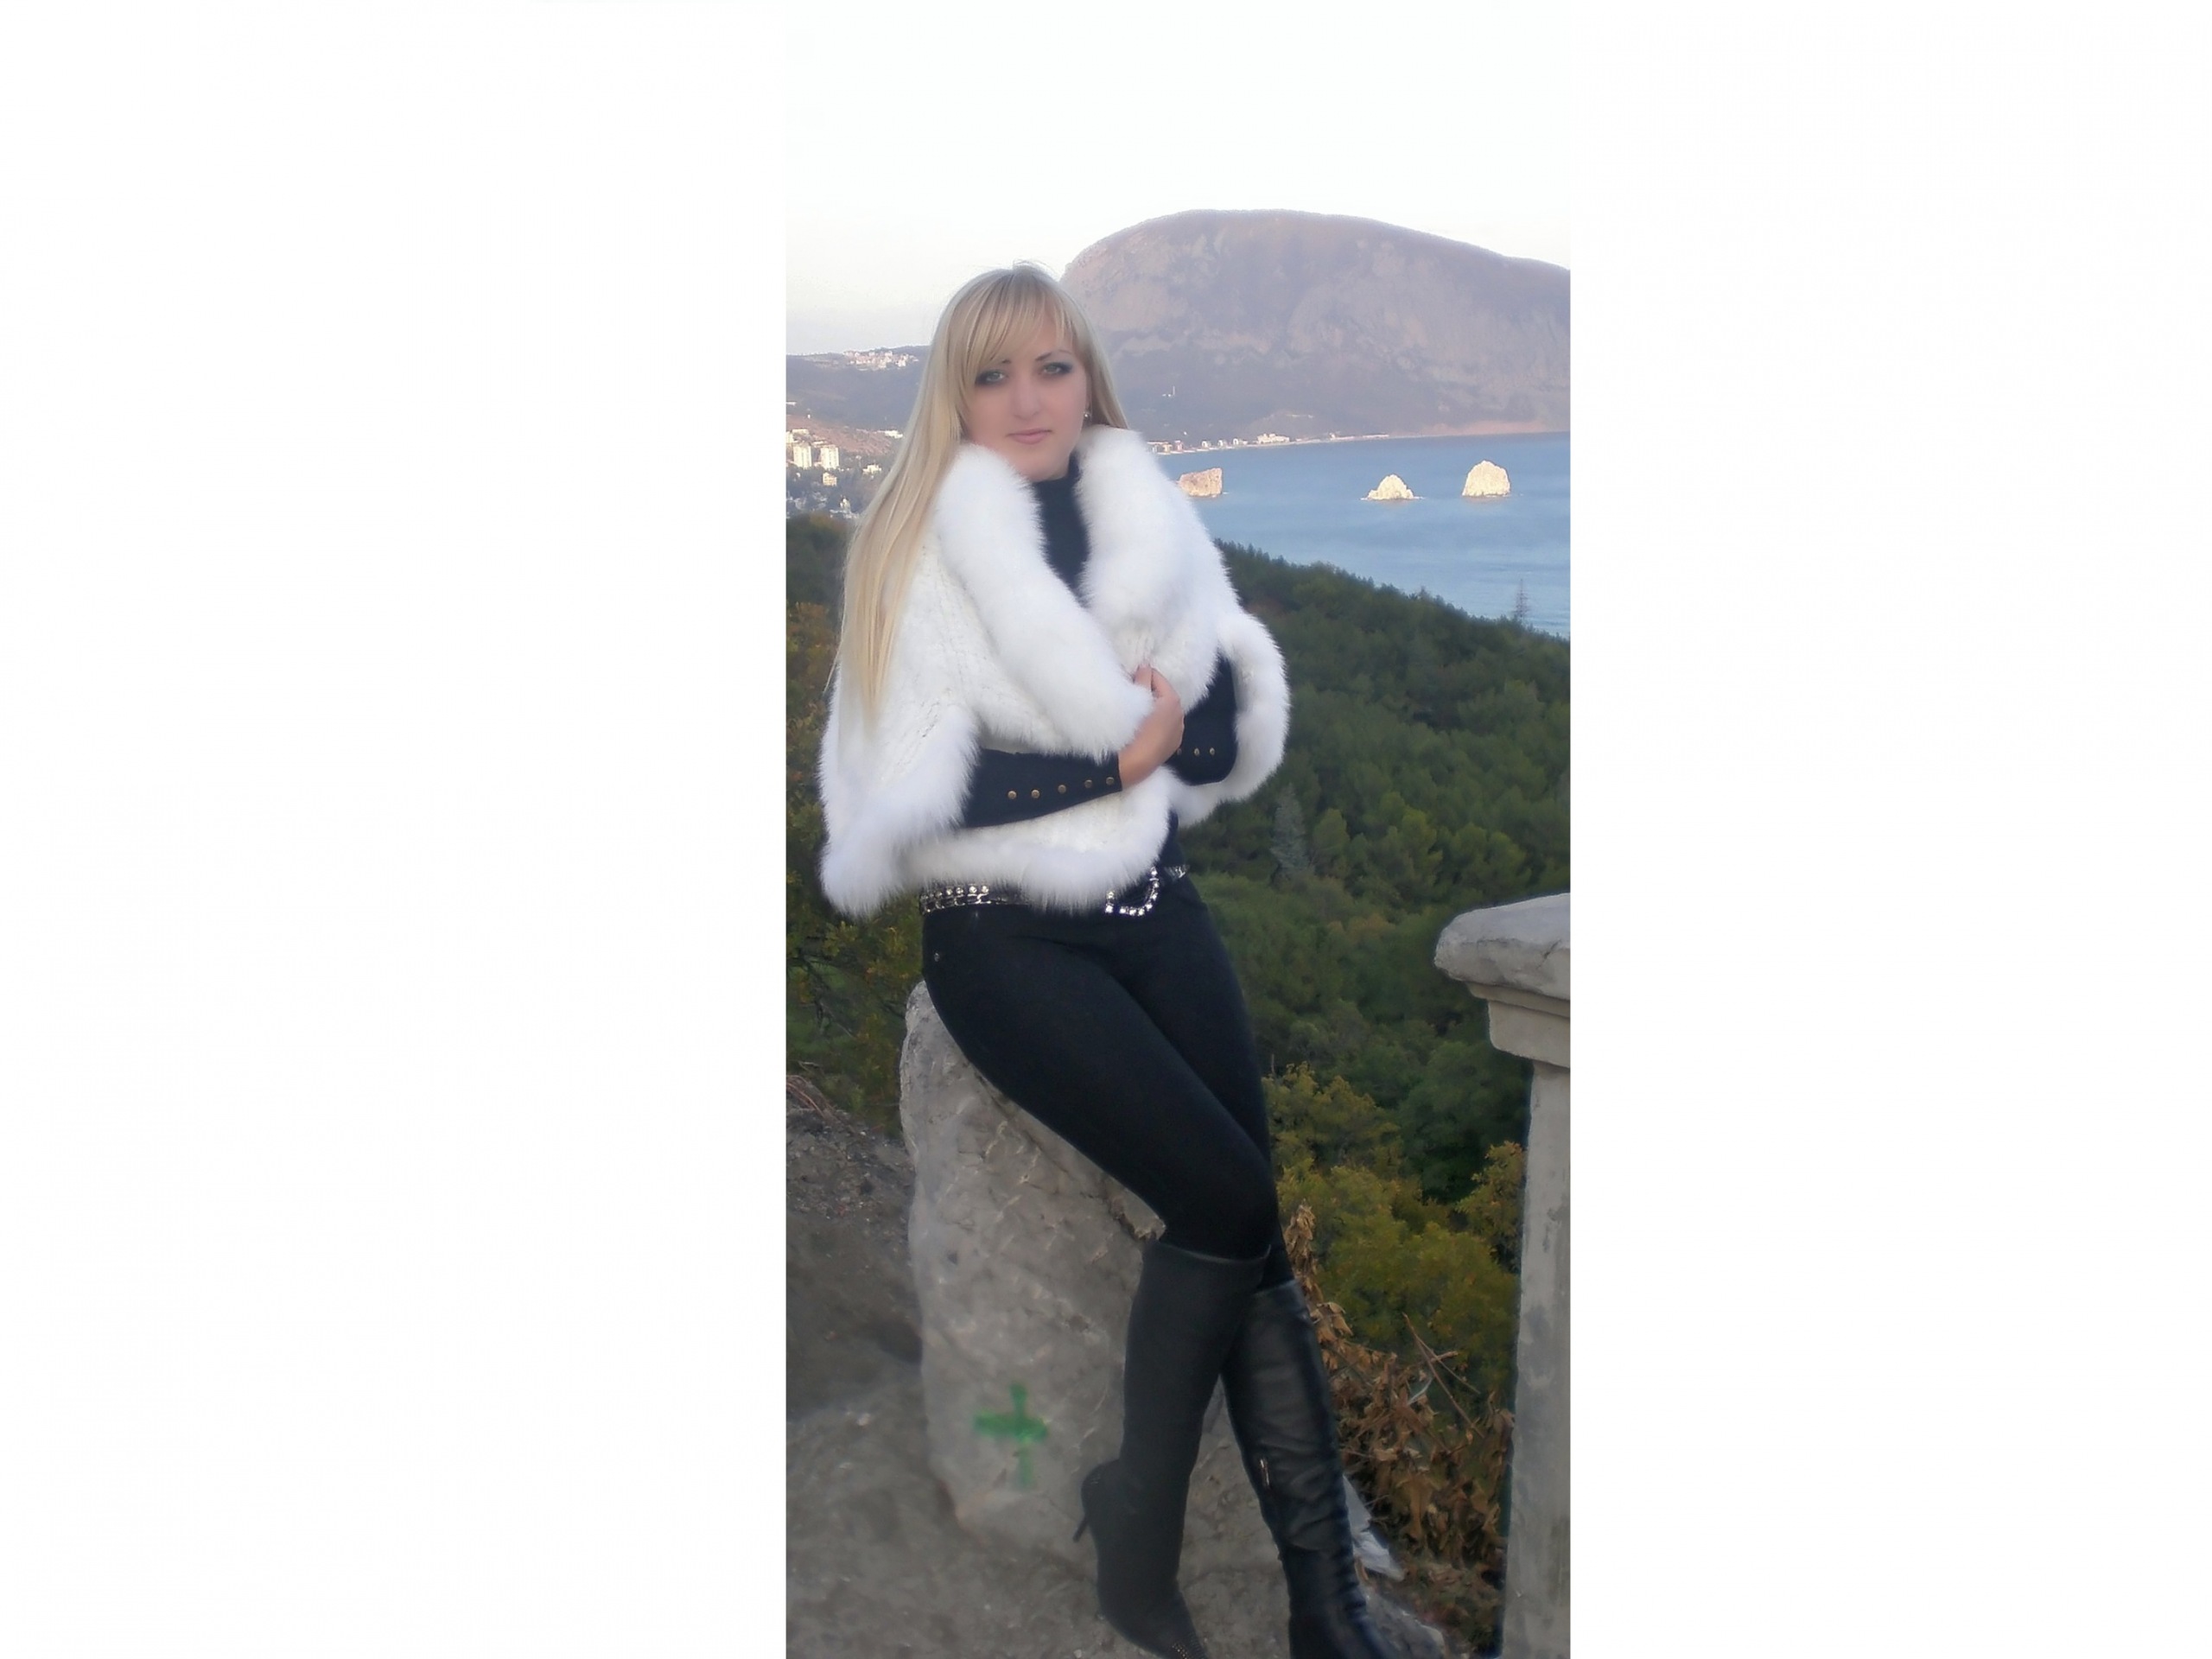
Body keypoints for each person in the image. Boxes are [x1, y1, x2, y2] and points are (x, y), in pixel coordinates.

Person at [816, 264, 1398, 1659]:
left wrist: (1175, 725)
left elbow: (1222, 730)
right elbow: (907, 798)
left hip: (1156, 910)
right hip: (1003, 933)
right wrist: (1113, 758)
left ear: (1089, 379)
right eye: (993, 374)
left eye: (1053, 367)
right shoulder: (915, 545)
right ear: (954, 396)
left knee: (1246, 1224)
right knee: (1224, 1192)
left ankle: (1325, 1608)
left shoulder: (1150, 516)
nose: (1029, 399)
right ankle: (1138, 1516)